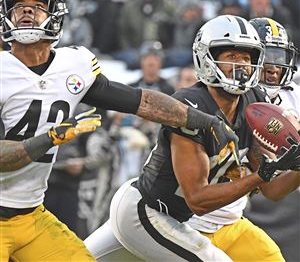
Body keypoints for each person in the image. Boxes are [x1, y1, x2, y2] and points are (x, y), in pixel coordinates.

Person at [0, 0, 239, 262]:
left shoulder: (72, 66)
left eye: (37, 6)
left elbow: (142, 101)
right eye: (20, 7)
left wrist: (206, 121)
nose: (27, 12)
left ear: (55, 15)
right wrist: (48, 139)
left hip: (30, 214)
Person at [84, 15, 300, 261]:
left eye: (246, 57)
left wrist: (294, 168)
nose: (241, 65)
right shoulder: (191, 106)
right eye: (231, 56)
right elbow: (197, 199)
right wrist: (260, 176)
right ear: (206, 59)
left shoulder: (255, 103)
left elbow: (271, 188)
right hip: (148, 213)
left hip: (180, 219)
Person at [244, 17, 300, 261]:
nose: (273, 67)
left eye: (279, 57)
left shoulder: (294, 94)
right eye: (266, 56)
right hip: (242, 193)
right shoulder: (236, 94)